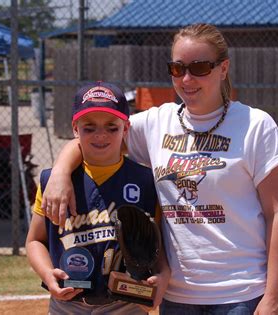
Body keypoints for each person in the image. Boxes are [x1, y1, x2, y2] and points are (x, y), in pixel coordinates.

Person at [42, 23, 278, 315]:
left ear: (223, 68)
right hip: (178, 294)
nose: (187, 79)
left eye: (199, 67)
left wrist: (274, 296)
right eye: (177, 68)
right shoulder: (156, 123)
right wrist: (60, 172)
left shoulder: (255, 125)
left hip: (240, 291)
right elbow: (97, 136)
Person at [25, 81, 170, 314]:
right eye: (89, 127)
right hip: (67, 303)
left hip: (126, 303)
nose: (100, 135)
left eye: (112, 127)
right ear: (75, 128)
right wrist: (46, 274)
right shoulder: (54, 182)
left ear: (126, 128)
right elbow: (34, 241)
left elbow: (156, 244)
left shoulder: (145, 181)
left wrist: (163, 273)